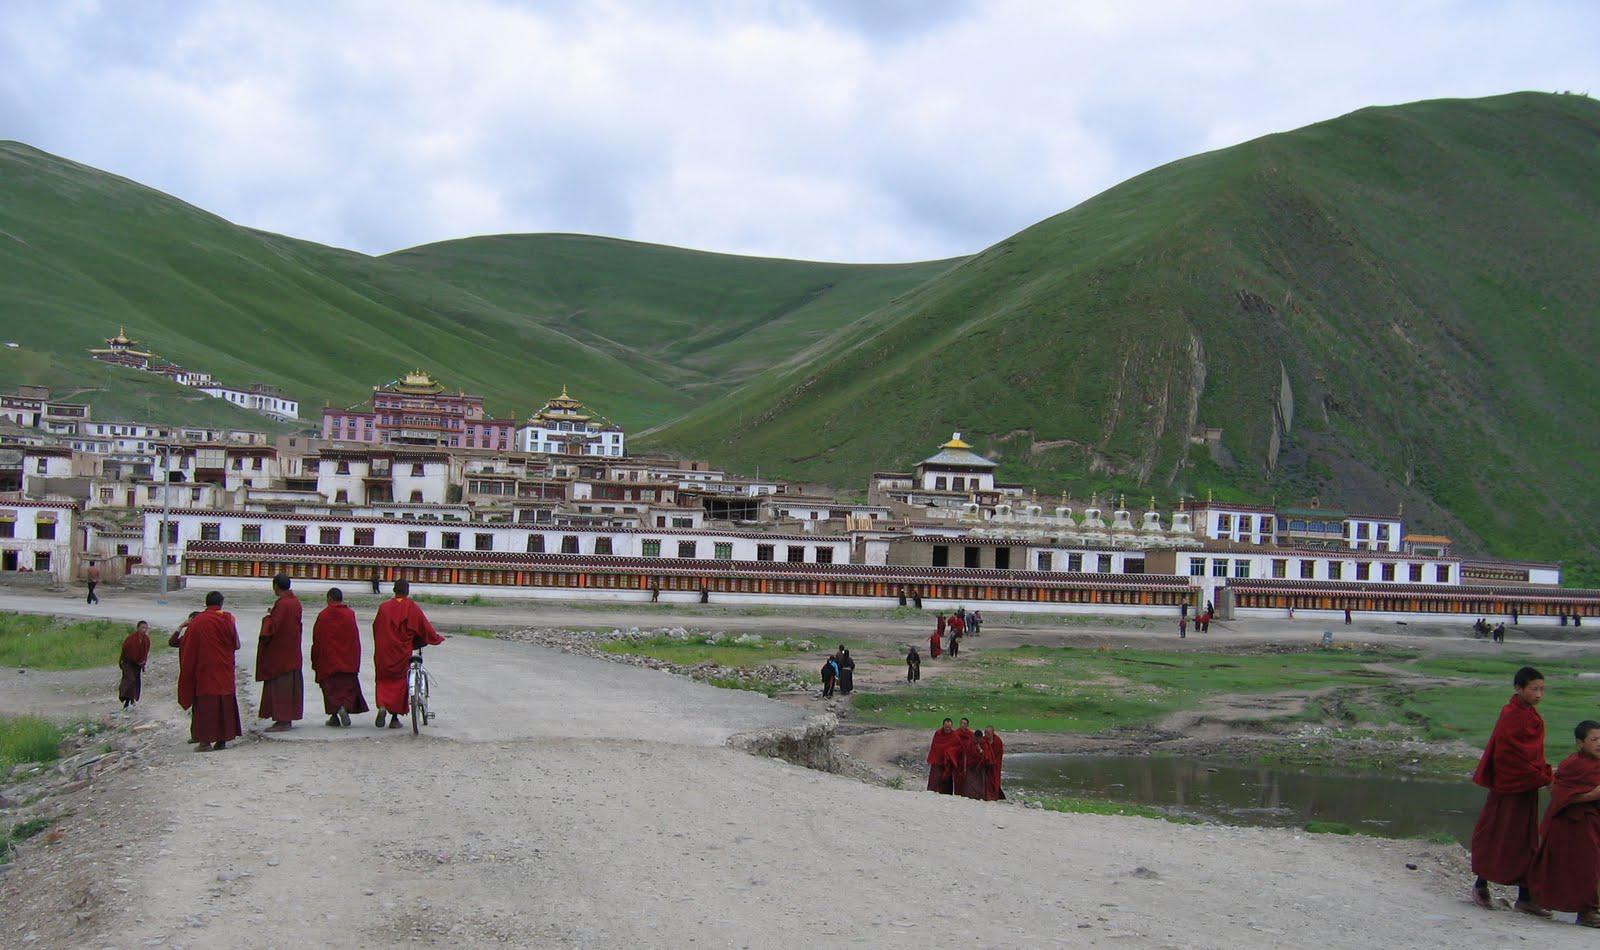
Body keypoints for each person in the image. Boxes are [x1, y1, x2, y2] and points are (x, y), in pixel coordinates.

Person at [1469, 666, 1554, 915]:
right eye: (1534, 689)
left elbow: (1533, 753)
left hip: (1525, 788)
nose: (1539, 695)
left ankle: (1525, 896)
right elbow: (1509, 755)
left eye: (1541, 690)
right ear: (1519, 688)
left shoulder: (1531, 716)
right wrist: (1542, 776)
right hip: (1508, 788)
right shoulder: (1511, 715)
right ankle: (1481, 885)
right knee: (1496, 834)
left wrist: (1542, 774)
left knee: (1525, 840)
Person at [1527, 720, 1600, 927]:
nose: (1599, 743)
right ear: (1580, 743)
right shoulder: (1573, 765)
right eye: (1594, 739)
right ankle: (1587, 911)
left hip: (1592, 821)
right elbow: (1560, 795)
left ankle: (1586, 907)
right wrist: (1592, 795)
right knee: (1585, 865)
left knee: (1590, 865)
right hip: (1572, 822)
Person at [371, 578, 444, 728]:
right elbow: (424, 627)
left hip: (384, 653)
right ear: (407, 591)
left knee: (383, 680)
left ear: (394, 590)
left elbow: (376, 628)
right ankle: (394, 719)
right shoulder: (411, 607)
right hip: (401, 653)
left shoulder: (384, 607)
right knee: (400, 681)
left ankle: (383, 706)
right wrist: (436, 638)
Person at [178, 591, 242, 752]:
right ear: (221, 603)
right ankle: (222, 741)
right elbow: (236, 644)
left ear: (206, 603)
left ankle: (205, 742)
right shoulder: (227, 619)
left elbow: (188, 646)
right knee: (223, 702)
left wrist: (188, 669)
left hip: (205, 670)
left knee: (206, 705)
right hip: (225, 669)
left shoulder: (198, 621)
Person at [311, 587, 368, 728]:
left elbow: (318, 638)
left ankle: (335, 715)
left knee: (331, 688)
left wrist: (316, 658)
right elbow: (354, 638)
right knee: (345, 687)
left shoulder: (323, 615)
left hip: (329, 660)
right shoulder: (350, 614)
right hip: (347, 660)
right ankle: (343, 709)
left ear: (329, 599)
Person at [255, 573, 304, 733]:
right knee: (289, 686)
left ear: (276, 586)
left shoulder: (283, 604)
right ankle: (285, 718)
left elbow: (273, 628)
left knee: (280, 686)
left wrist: (267, 618)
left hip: (280, 654)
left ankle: (283, 720)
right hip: (292, 650)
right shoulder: (295, 602)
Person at [117, 620, 151, 708]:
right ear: (138, 628)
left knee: (135, 682)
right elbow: (124, 650)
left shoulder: (146, 640)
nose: (144, 630)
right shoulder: (131, 638)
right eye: (142, 628)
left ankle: (131, 700)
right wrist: (121, 661)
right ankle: (126, 699)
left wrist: (143, 663)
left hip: (138, 664)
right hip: (128, 662)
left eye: (146, 628)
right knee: (130, 680)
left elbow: (145, 652)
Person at [955, 718, 985, 798]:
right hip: (959, 758)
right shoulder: (956, 733)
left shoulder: (971, 735)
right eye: (961, 723)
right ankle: (959, 792)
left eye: (964, 724)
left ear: (967, 725)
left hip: (971, 763)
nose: (963, 725)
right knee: (959, 777)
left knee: (972, 779)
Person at [925, 718, 958, 794]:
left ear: (951, 727)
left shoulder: (954, 735)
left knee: (947, 780)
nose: (947, 729)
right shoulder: (938, 733)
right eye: (946, 727)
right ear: (943, 726)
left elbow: (957, 747)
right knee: (935, 778)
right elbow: (935, 746)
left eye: (949, 727)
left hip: (947, 763)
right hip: (937, 761)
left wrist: (949, 753)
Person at [982, 726, 1006, 801]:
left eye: (988, 733)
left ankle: (994, 796)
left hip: (995, 765)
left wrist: (992, 761)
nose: (986, 734)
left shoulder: (998, 741)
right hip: (985, 764)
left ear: (993, 733)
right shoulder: (983, 740)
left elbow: (999, 754)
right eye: (985, 732)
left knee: (994, 780)